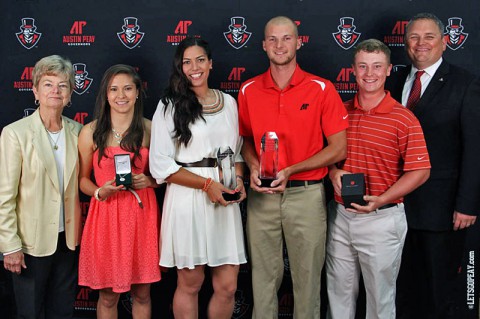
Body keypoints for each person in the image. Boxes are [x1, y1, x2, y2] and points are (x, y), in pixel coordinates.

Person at [238, 16, 348, 318]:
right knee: (262, 281)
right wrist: (252, 165)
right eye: (272, 39)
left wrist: (291, 170)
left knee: (308, 281)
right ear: (263, 45)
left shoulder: (321, 89)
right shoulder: (248, 90)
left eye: (286, 38)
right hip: (263, 196)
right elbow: (245, 140)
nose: (279, 45)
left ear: (299, 42)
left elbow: (339, 148)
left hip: (306, 195)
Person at [326, 39, 431, 319]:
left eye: (376, 67)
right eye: (362, 66)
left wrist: (382, 199)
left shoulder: (403, 118)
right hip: (341, 216)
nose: (369, 73)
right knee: (338, 296)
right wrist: (334, 172)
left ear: (388, 71)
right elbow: (326, 158)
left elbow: (421, 170)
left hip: (382, 219)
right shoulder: (340, 112)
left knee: (380, 302)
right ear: (352, 70)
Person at [385, 13, 480, 318]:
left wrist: (467, 204)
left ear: (445, 42)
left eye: (429, 37)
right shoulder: (394, 80)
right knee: (402, 292)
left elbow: (475, 149)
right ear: (405, 43)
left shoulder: (465, 84)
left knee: (439, 294)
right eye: (414, 37)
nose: (420, 43)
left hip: (442, 210)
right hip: (395, 208)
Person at [149, 37, 247, 318]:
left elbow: (237, 153)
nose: (194, 67)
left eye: (200, 60)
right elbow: (160, 165)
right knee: (191, 283)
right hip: (188, 198)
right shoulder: (169, 105)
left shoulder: (228, 102)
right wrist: (206, 184)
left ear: (211, 63)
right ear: (180, 67)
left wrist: (238, 180)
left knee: (228, 286)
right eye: (187, 62)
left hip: (223, 199)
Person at [0, 55, 82, 318]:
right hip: (29, 245)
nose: (55, 91)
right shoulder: (16, 133)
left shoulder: (80, 132)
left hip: (67, 242)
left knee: (62, 312)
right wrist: (10, 245)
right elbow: (5, 195)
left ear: (70, 93)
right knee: (30, 314)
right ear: (35, 90)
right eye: (48, 84)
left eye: (62, 85)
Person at [77, 64, 161, 318]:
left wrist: (149, 181)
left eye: (127, 88)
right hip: (105, 217)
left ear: (137, 93)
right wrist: (99, 192)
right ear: (105, 94)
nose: (121, 95)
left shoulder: (151, 129)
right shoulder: (90, 131)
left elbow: (165, 176)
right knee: (107, 295)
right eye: (114, 89)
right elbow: (82, 180)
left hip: (141, 217)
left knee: (142, 293)